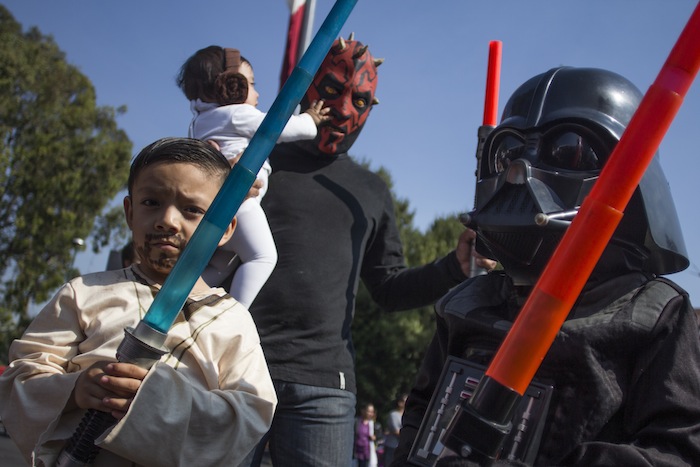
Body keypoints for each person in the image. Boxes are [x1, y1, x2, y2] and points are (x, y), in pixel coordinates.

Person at [392, 67, 700, 466]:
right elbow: (421, 411)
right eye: (508, 151)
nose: (521, 172)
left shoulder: (655, 314)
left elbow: (677, 449)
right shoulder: (467, 302)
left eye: (568, 148)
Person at [242, 35, 487, 467]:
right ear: (307, 87)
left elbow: (389, 288)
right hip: (232, 369)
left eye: (360, 99)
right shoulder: (256, 161)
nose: (342, 109)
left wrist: (455, 266)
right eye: (332, 90)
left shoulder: (371, 191)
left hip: (325, 386)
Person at [0, 138, 277, 467]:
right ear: (130, 212)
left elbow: (252, 414)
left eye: (192, 209)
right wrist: (74, 390)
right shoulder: (84, 293)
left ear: (226, 229)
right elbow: (20, 378)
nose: (168, 221)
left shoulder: (233, 320)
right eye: (151, 202)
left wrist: (160, 398)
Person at [176, 45, 330, 308]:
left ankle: (178, 298)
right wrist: (309, 120)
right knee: (263, 257)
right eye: (251, 84)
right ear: (230, 86)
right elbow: (277, 128)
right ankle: (234, 314)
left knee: (220, 265)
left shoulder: (199, 122)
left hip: (215, 209)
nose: (257, 93)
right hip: (241, 204)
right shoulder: (236, 114)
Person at [383, 394, 407, 466]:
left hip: (403, 448)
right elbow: (396, 431)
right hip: (392, 447)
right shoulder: (393, 415)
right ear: (400, 403)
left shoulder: (408, 416)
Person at [354, 403, 378, 467]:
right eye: (368, 411)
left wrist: (374, 437)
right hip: (356, 452)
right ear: (363, 411)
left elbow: (379, 437)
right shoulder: (356, 421)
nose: (370, 413)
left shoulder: (374, 424)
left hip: (368, 452)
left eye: (372, 412)